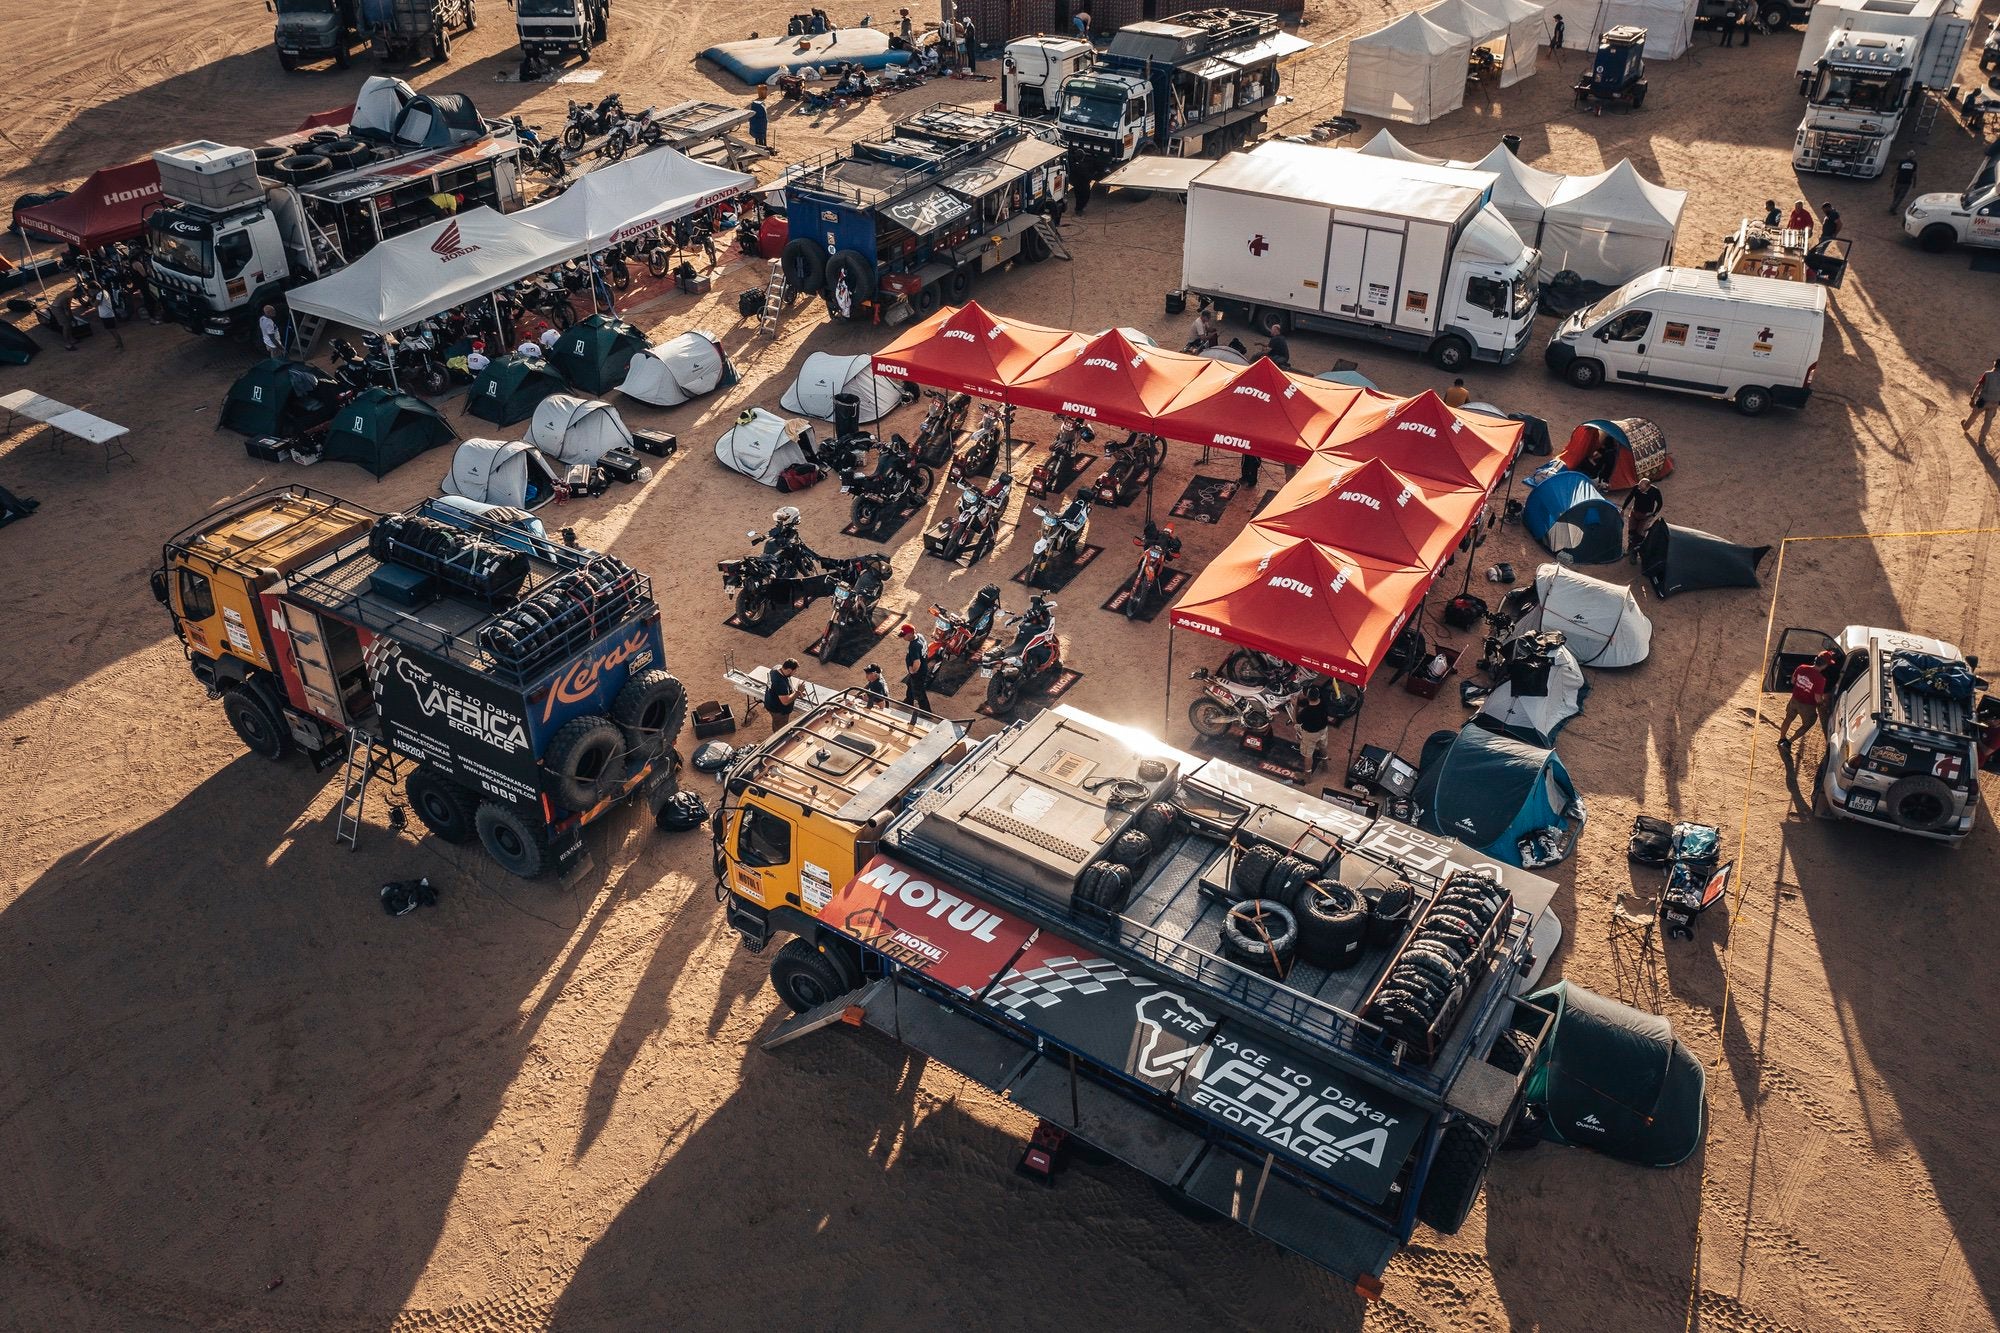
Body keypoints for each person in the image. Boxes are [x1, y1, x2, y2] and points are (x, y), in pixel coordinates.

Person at [1777, 649, 1837, 748]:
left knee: (1788, 718)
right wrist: (1823, 704)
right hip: (1807, 705)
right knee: (1808, 724)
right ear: (1825, 665)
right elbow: (1817, 698)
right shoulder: (1820, 679)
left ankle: (1782, 738)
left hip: (1794, 699)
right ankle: (1789, 742)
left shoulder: (1801, 667)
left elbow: (1793, 681)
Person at [1621, 474, 1663, 558]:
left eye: (1641, 488)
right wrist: (1623, 508)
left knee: (1640, 535)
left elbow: (1660, 503)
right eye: (1639, 487)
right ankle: (1630, 549)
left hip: (1646, 516)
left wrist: (1653, 515)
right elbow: (1630, 497)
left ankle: (1634, 554)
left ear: (1648, 486)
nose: (1639, 489)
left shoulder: (1655, 491)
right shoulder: (1636, 488)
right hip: (1634, 512)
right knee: (1631, 531)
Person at [1295, 680, 1330, 773]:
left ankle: (1308, 776)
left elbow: (1297, 721)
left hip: (1310, 735)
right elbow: (1308, 702)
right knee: (1323, 747)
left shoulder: (1306, 712)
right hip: (1323, 731)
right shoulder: (1323, 703)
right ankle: (1325, 766)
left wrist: (1295, 705)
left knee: (1308, 755)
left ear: (1308, 696)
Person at [1964, 356, 2000, 439]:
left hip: (1982, 401)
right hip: (1994, 403)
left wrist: (1973, 398)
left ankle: (1966, 427)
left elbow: (1978, 387)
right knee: (1988, 421)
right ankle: (1982, 439)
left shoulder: (1987, 374)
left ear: (1994, 364)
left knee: (1974, 415)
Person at [898, 624, 932, 710]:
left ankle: (926, 712)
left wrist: (913, 670)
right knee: (910, 684)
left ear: (910, 634)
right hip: (923, 667)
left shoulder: (914, 646)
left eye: (904, 635)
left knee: (919, 692)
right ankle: (909, 701)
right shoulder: (920, 636)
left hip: (918, 672)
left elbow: (917, 662)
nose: (903, 637)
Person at [764, 658, 800, 733]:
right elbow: (785, 702)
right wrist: (797, 692)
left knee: (776, 723)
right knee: (780, 730)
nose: (795, 673)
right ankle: (778, 740)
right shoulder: (780, 683)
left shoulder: (777, 668)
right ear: (789, 670)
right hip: (778, 711)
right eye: (795, 671)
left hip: (771, 703)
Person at [93, 284, 124, 351]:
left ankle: (121, 346)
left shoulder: (99, 295)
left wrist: (90, 300)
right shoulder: (104, 291)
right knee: (112, 331)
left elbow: (95, 305)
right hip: (108, 314)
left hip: (106, 315)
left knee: (113, 331)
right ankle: (118, 343)